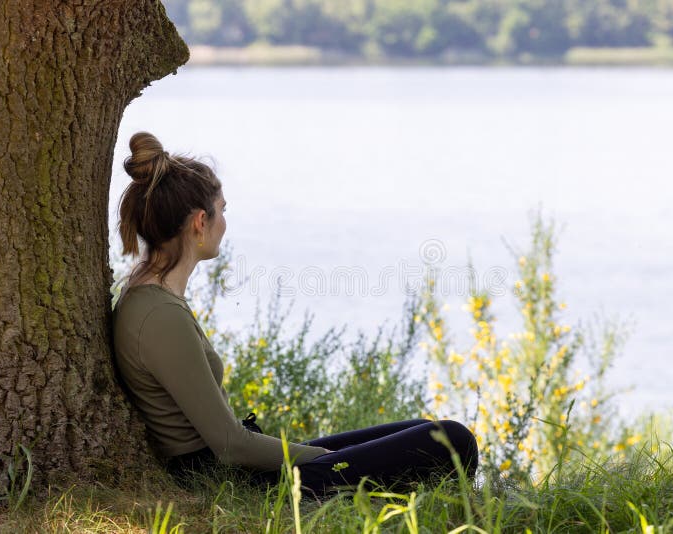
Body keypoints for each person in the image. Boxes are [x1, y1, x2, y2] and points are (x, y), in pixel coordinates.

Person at [111, 131, 479, 496]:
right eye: (223, 210)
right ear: (199, 223)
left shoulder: (153, 296)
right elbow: (230, 443)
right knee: (452, 440)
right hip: (233, 480)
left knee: (421, 429)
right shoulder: (160, 315)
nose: (225, 221)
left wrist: (336, 457)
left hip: (230, 467)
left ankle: (389, 496)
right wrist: (327, 459)